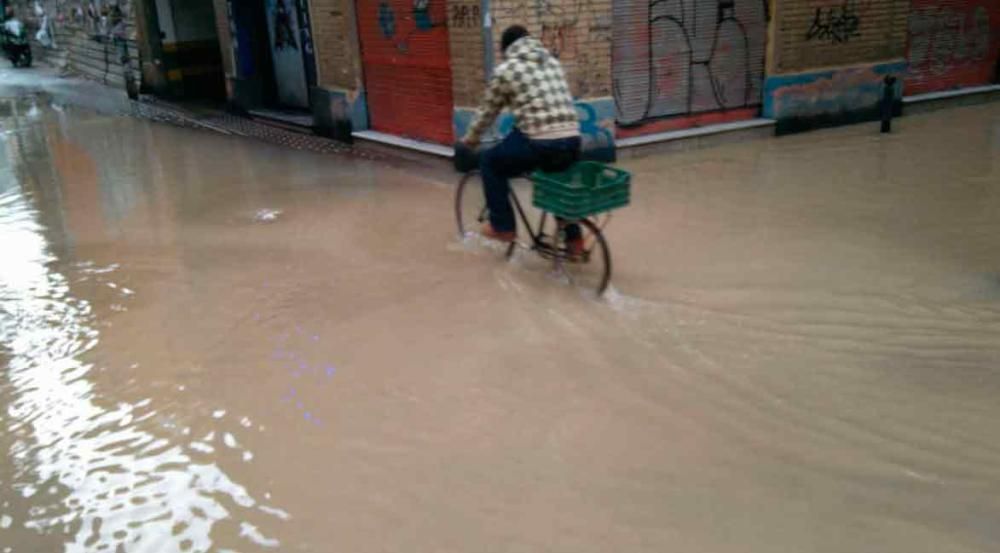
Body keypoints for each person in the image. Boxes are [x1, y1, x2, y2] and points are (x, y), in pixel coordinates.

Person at [461, 25, 582, 251]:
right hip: (573, 140)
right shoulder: (553, 63)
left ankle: (503, 226)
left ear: (507, 49)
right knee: (554, 182)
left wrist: (470, 139)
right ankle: (574, 240)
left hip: (540, 143)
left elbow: (488, 111)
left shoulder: (508, 70)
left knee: (490, 162)